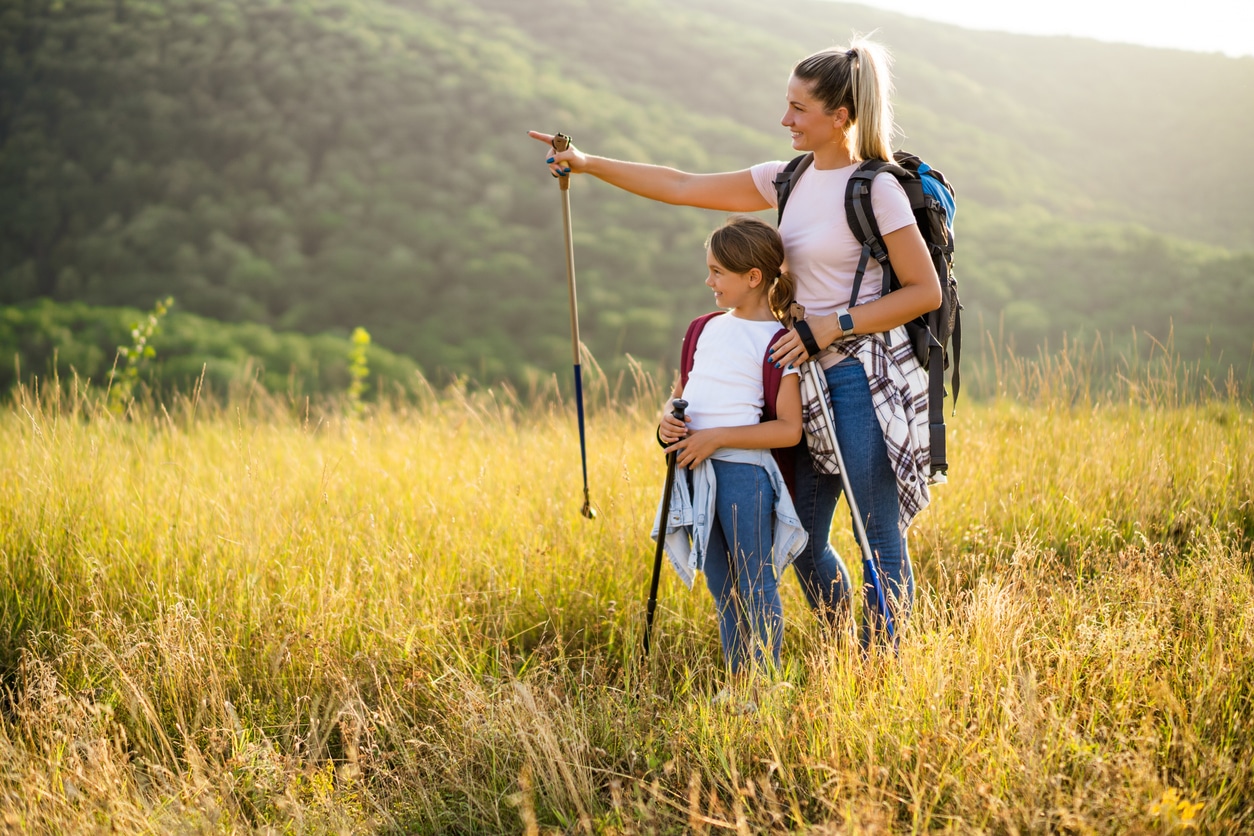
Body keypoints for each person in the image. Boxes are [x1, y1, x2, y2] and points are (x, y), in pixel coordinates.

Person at [531, 37, 941, 647]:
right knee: (800, 539)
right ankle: (841, 647)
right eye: (787, 104)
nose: (785, 120)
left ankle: (885, 667)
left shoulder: (875, 188)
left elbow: (923, 291)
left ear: (842, 117)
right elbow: (681, 185)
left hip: (858, 374)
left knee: (876, 532)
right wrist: (590, 164)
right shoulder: (790, 179)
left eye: (799, 109)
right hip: (791, 373)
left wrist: (834, 325)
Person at [653, 215, 807, 675]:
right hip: (696, 470)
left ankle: (765, 686)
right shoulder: (704, 327)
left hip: (743, 473)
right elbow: (685, 392)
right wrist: (666, 421)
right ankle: (741, 684)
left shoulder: (779, 340)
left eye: (718, 272)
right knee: (722, 585)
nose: (709, 280)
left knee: (755, 583)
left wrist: (716, 437)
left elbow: (788, 429)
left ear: (753, 277)